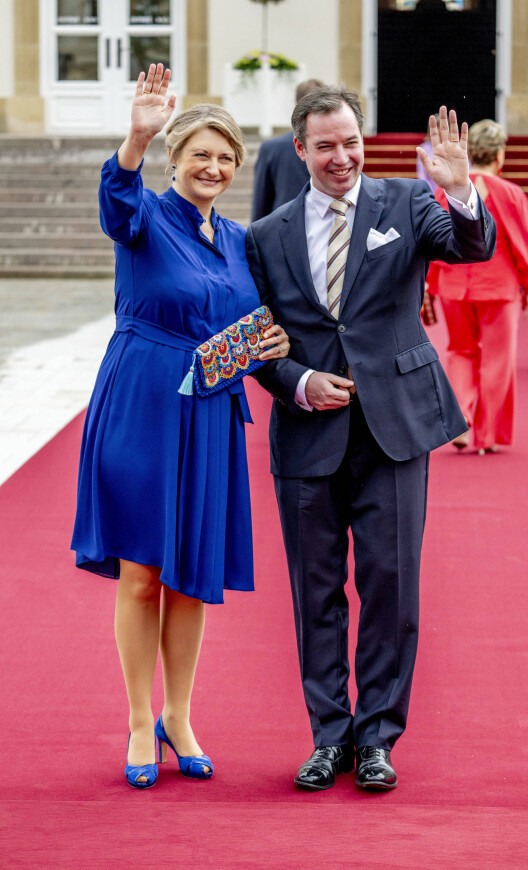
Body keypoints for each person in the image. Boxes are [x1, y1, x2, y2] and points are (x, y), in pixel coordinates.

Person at [246, 87, 496, 791]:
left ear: (364, 142)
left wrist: (460, 189)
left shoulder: (407, 205)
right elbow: (260, 341)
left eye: (350, 142)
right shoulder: (266, 235)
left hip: (396, 425)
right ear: (300, 151)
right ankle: (329, 737)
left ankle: (378, 736)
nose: (340, 157)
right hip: (307, 429)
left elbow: (471, 248)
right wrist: (297, 382)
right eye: (324, 145)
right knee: (315, 590)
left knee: (390, 586)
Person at [71, 63, 289, 790]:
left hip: (208, 415)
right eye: (201, 153)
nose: (214, 167)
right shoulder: (143, 216)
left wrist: (272, 342)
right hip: (141, 402)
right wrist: (134, 137)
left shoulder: (236, 240)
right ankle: (139, 719)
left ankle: (180, 715)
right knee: (141, 576)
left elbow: (249, 324)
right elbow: (115, 201)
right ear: (176, 157)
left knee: (190, 581)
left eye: (226, 157)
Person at [427, 119, 528, 454]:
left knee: (460, 351)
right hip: (499, 285)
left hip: (455, 284)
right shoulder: (510, 192)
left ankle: (460, 419)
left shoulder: (445, 190)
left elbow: (434, 238)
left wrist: (431, 283)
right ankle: (487, 434)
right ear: (499, 155)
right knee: (498, 358)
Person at [251, 78, 325, 221]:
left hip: (281, 226)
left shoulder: (271, 148)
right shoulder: (271, 148)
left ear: (296, 106)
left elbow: (261, 204)